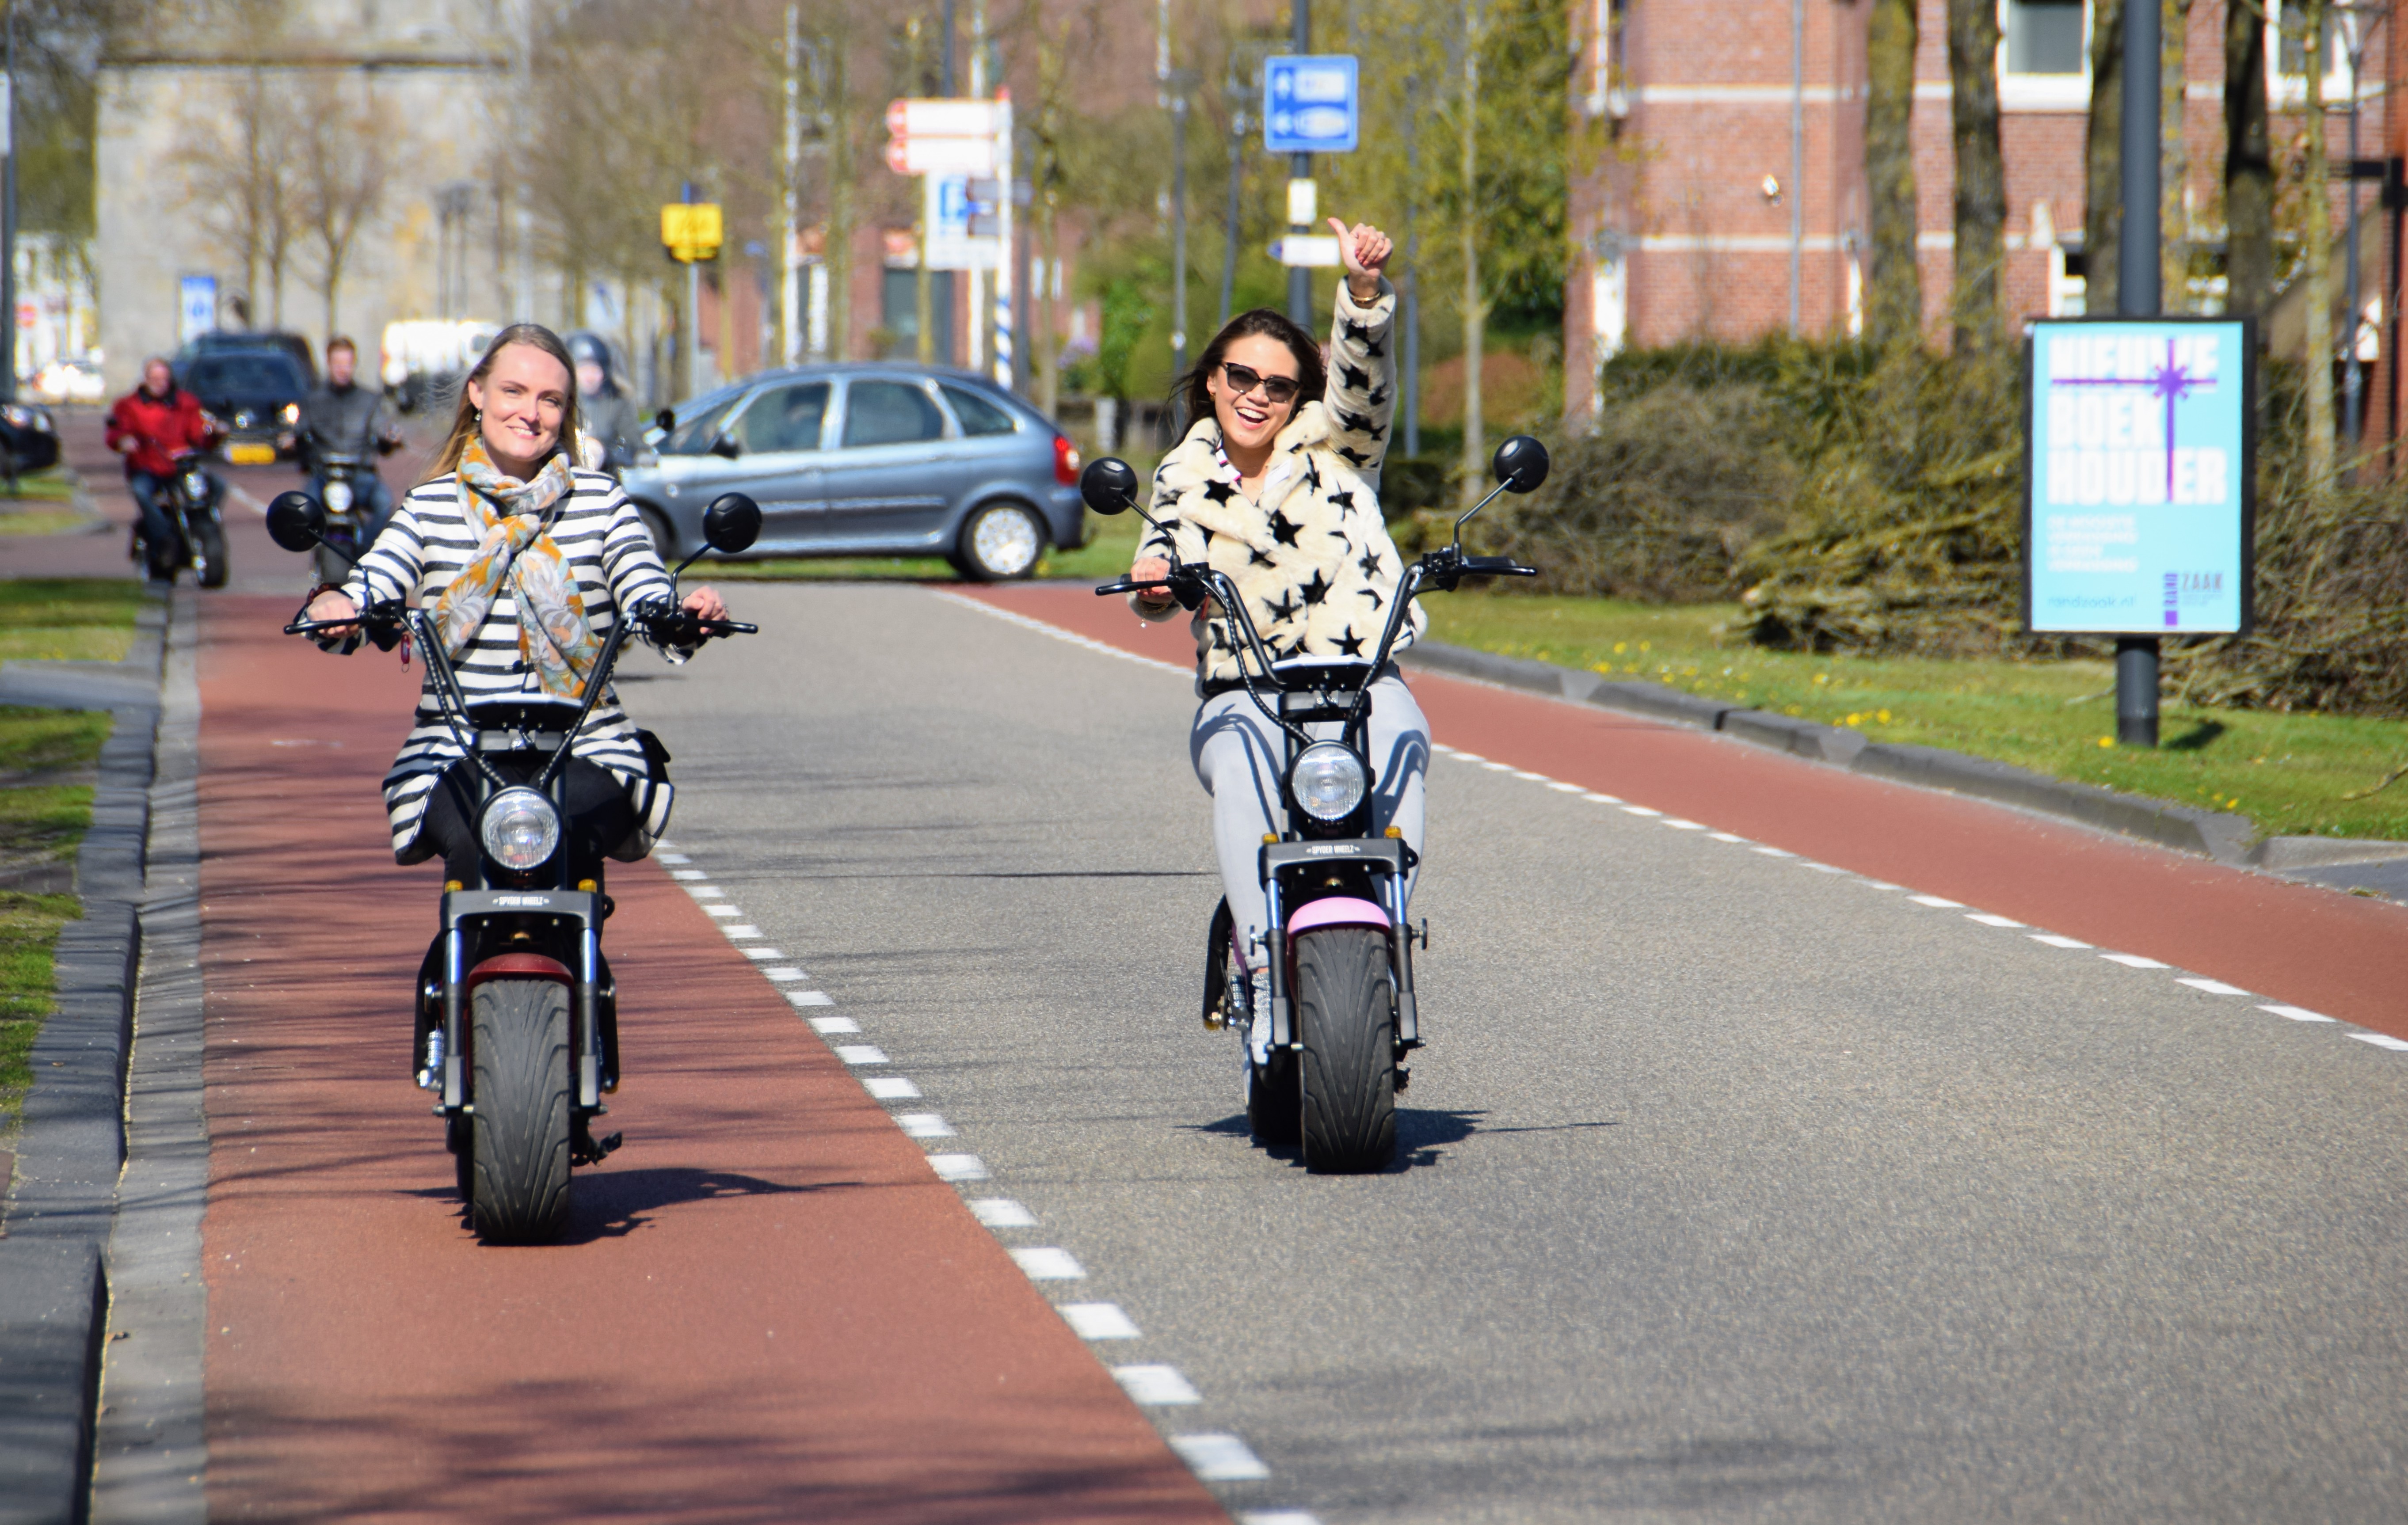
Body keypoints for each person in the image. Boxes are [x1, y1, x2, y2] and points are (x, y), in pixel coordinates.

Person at [1126, 218, 1424, 1059]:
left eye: (1280, 384)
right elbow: (1161, 553)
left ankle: (1384, 920)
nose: (1257, 394)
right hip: (1244, 690)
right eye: (1240, 375)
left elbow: (1364, 393)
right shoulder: (1181, 475)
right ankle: (1260, 969)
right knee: (1241, 773)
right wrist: (1153, 585)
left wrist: (1362, 296)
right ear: (1212, 381)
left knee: (1404, 737)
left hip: (1358, 678)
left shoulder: (1337, 451)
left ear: (1302, 396)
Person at [301, 323, 729, 897]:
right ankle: (451, 979)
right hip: (455, 746)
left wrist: (679, 612)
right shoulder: (430, 505)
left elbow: (642, 581)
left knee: (575, 836)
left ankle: (584, 975)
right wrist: (342, 604)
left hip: (585, 744)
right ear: (477, 393)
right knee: (472, 847)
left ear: (567, 412)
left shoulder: (601, 502)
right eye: (514, 391)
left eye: (550, 399)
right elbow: (378, 576)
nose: (531, 412)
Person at [105, 356, 221, 579]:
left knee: (218, 487)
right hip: (148, 467)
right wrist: (123, 441)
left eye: (163, 379)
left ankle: (205, 529)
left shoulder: (186, 403)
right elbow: (116, 432)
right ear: (146, 379)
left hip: (181, 468)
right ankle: (163, 535)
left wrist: (214, 434)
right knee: (141, 491)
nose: (159, 383)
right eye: (154, 379)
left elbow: (199, 434)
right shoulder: (129, 405)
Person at [297, 334, 403, 545]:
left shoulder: (369, 400)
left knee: (385, 505)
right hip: (324, 476)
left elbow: (381, 432)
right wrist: (293, 444)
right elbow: (299, 433)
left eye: (347, 364)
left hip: (360, 475)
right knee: (302, 512)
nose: (343, 370)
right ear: (328, 364)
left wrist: (390, 439)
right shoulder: (312, 400)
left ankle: (367, 551)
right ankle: (320, 553)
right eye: (338, 364)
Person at [568, 332, 641, 472]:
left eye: (594, 370)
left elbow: (633, 445)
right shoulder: (562, 404)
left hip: (606, 476)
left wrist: (605, 452)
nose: (589, 377)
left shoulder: (616, 405)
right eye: (583, 369)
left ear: (604, 372)